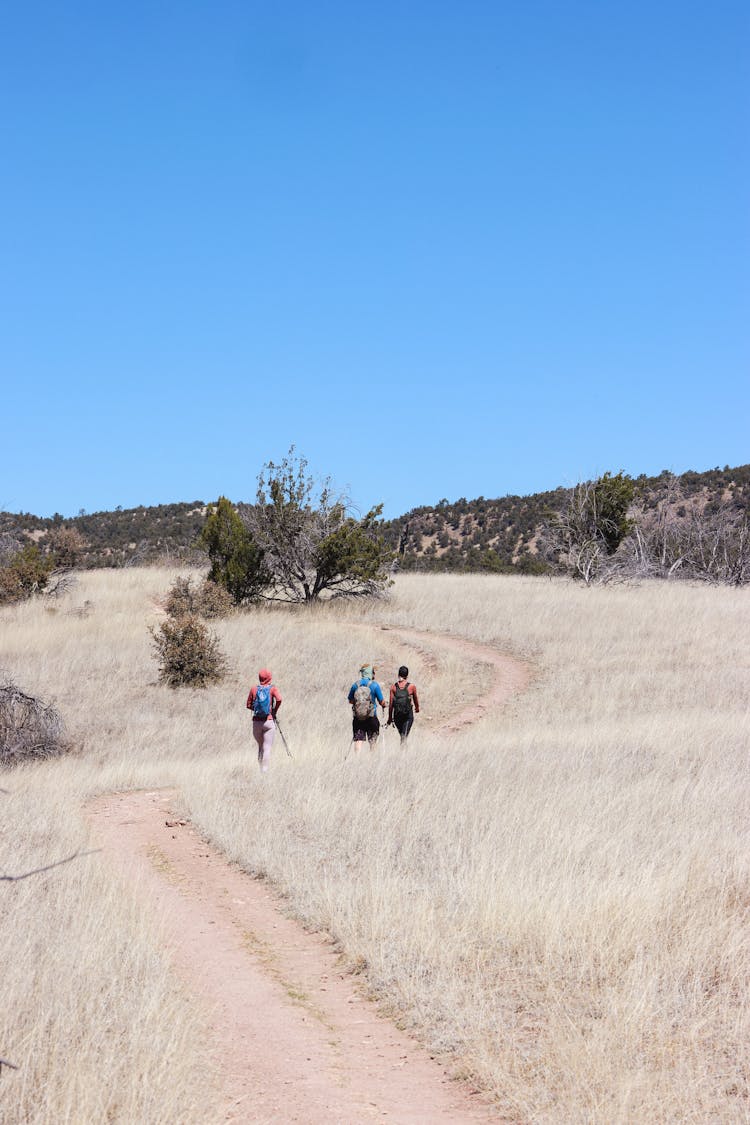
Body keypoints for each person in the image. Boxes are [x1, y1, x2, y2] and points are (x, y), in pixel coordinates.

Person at [246, 668, 282, 773]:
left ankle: (260, 769)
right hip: (268, 721)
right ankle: (264, 771)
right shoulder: (272, 689)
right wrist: (274, 711)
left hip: (256, 722)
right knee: (267, 747)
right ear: (269, 677)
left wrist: (257, 709)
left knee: (260, 747)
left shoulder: (254, 689)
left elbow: (248, 705)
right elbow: (279, 699)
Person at [347, 662, 385, 749]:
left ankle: (357, 758)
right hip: (372, 717)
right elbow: (381, 701)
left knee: (358, 740)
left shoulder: (355, 685)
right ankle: (372, 760)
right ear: (370, 673)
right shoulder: (375, 685)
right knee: (372, 741)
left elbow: (350, 700)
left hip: (358, 718)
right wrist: (384, 704)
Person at [387, 665, 420, 743]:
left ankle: (403, 752)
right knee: (404, 736)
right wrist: (417, 708)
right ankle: (403, 753)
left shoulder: (393, 687)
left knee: (403, 735)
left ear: (398, 675)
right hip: (408, 716)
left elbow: (391, 704)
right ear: (407, 676)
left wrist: (389, 718)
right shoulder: (412, 686)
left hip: (397, 716)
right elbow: (415, 698)